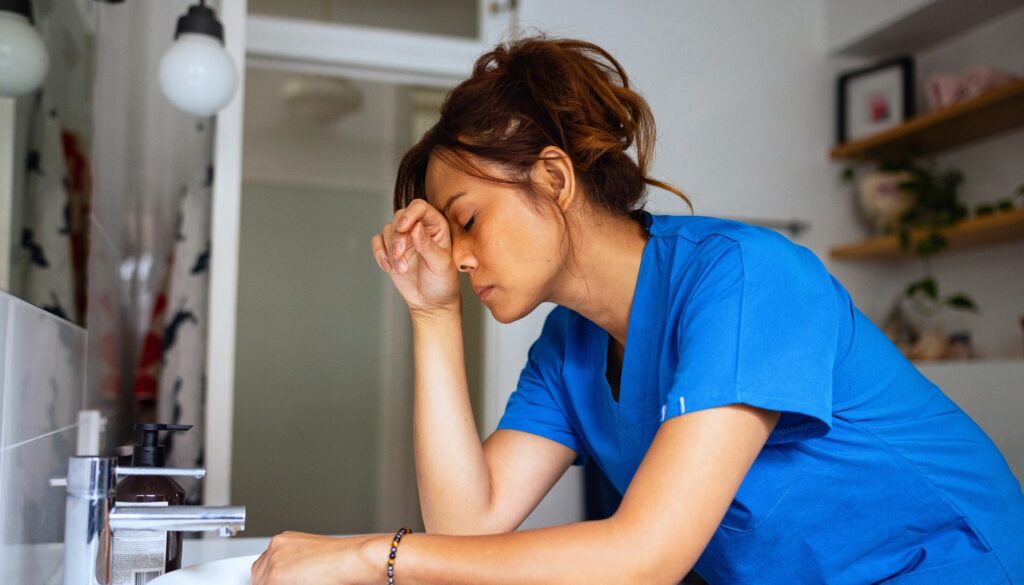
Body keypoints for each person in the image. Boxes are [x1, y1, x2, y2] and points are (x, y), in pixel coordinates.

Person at [251, 36, 1024, 585]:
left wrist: (368, 556)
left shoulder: (745, 278)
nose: (455, 255)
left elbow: (644, 557)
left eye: (469, 220)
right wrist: (432, 315)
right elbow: (469, 526)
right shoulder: (568, 346)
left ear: (552, 178)